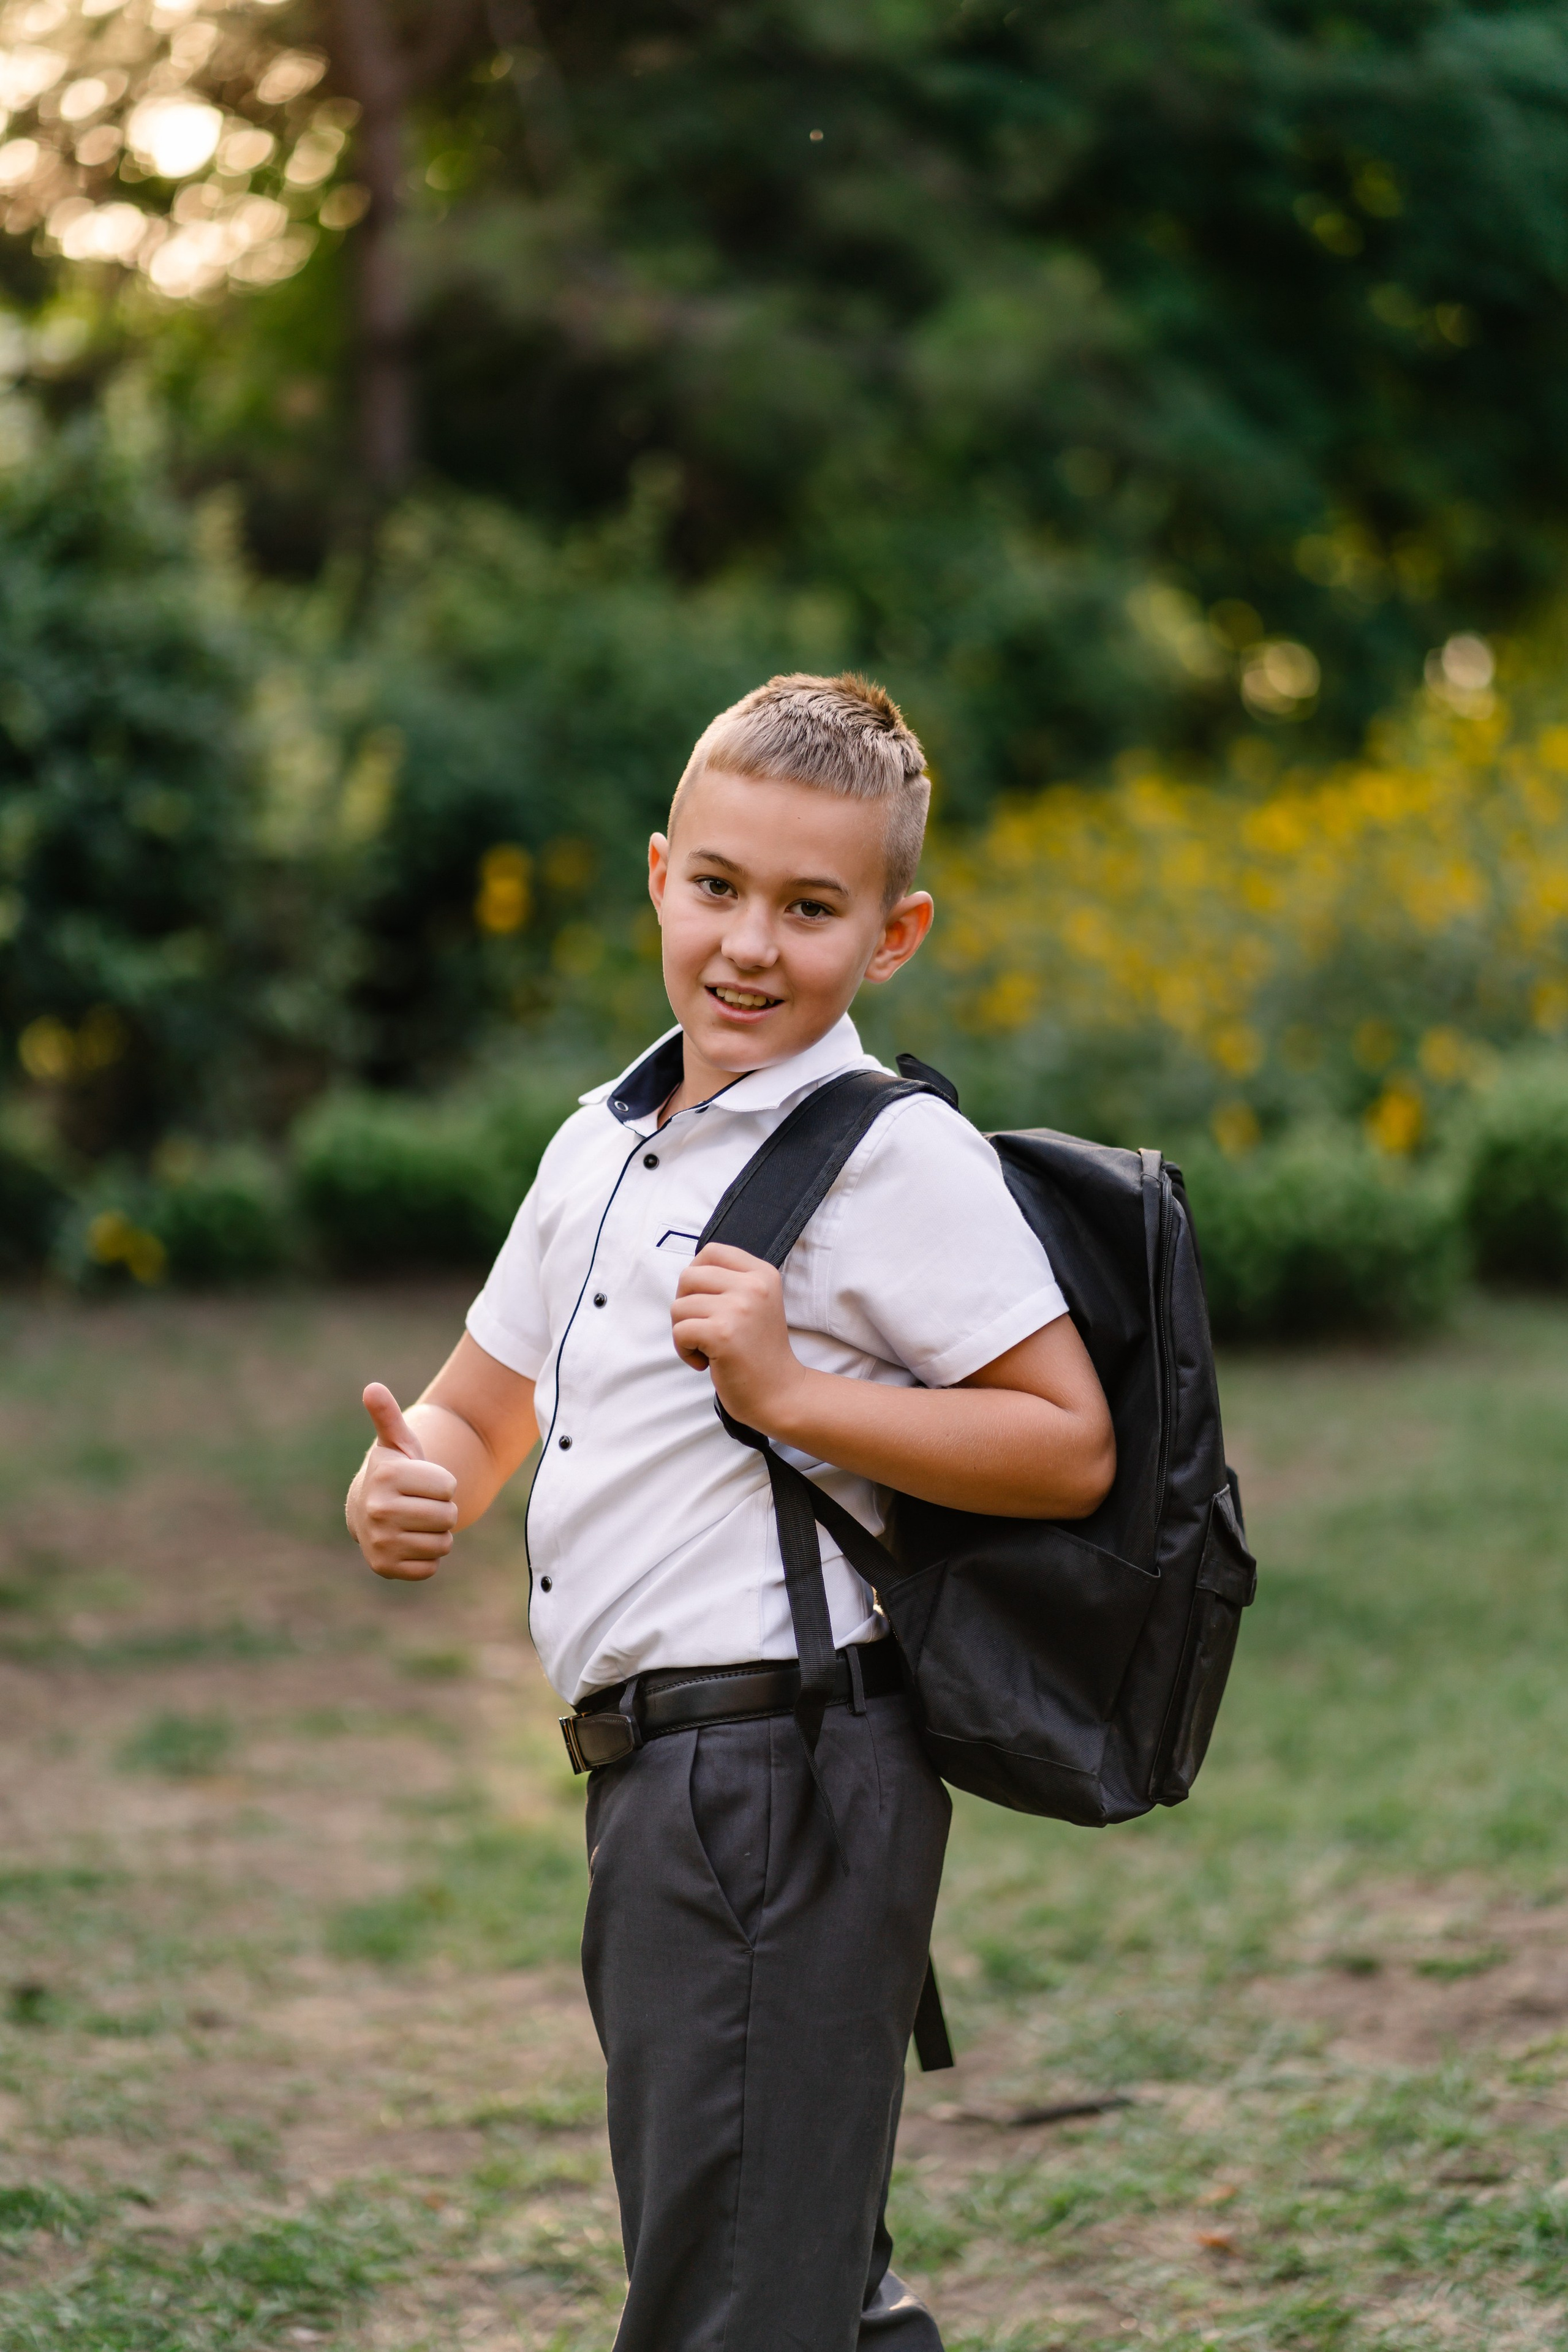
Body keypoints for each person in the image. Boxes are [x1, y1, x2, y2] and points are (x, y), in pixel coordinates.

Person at [345, 671, 1116, 2352]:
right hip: (653, 1779)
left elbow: (1067, 1446)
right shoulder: (597, 1146)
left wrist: (791, 1395)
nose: (750, 945)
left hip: (790, 1765)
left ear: (893, 934)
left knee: (730, 2285)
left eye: (810, 907)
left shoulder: (892, 1160)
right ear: (658, 878)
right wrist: (413, 1491)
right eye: (718, 888)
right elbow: (481, 1416)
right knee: (782, 2254)